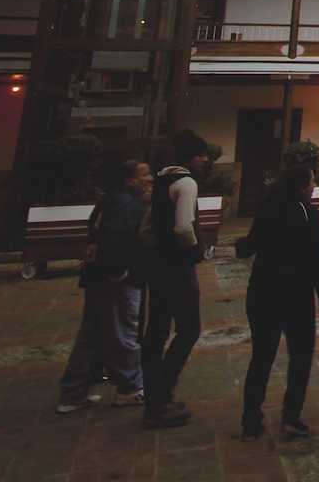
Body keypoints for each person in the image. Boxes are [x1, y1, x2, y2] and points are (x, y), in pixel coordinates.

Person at [240, 162, 319, 440]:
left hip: (262, 290)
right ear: (303, 185)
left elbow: (252, 242)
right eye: (312, 181)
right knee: (300, 355)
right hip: (296, 293)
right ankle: (290, 416)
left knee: (262, 356)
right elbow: (317, 253)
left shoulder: (268, 206)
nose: (314, 185)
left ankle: (251, 418)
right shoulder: (307, 212)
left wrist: (235, 249)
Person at [56, 159, 152, 412]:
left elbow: (95, 231)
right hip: (116, 278)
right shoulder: (127, 204)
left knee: (92, 335)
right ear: (129, 180)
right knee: (123, 333)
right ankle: (130, 387)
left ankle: (73, 391)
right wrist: (119, 271)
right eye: (145, 175)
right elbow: (116, 238)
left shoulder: (109, 200)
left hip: (96, 276)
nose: (150, 179)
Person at [143, 129, 210, 429]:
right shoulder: (185, 183)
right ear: (190, 157)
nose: (205, 161)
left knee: (157, 330)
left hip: (157, 265)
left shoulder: (161, 181)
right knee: (189, 328)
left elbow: (146, 226)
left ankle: (154, 398)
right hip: (177, 266)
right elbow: (183, 227)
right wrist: (195, 250)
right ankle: (162, 393)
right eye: (201, 155)